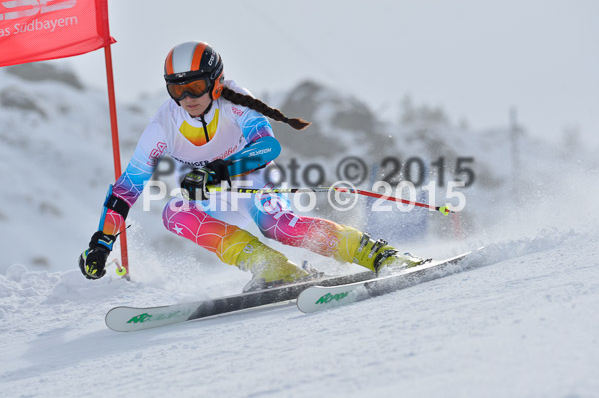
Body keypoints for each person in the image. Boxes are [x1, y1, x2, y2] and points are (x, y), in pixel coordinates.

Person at [78, 41, 425, 291]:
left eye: (195, 86)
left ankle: (380, 254)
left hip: (256, 182)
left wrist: (218, 169)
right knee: (174, 211)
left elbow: (267, 145)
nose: (187, 98)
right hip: (217, 196)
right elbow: (128, 187)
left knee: (280, 227)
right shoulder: (163, 125)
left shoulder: (233, 100)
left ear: (215, 81)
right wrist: (101, 243)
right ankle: (272, 268)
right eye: (177, 89)